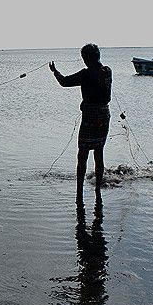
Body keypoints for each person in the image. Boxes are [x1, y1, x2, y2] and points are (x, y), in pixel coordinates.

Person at [50, 43, 112, 207]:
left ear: (86, 58)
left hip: (91, 116)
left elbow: (64, 82)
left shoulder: (86, 73)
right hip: (104, 115)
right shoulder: (107, 71)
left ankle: (79, 193)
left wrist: (55, 72)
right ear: (98, 56)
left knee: (82, 154)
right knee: (99, 153)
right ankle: (98, 191)